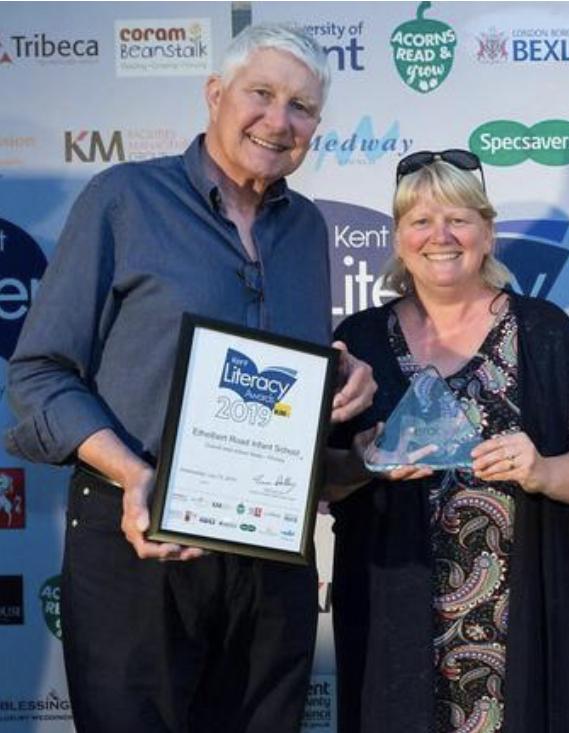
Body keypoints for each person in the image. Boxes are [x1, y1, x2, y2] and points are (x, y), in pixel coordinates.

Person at [5, 24, 376, 733]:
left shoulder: (307, 230)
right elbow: (39, 374)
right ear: (214, 95)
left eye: (301, 107)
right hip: (136, 537)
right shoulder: (123, 199)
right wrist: (133, 475)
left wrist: (338, 375)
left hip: (270, 552)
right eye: (260, 94)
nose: (278, 121)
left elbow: (270, 381)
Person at [324, 150, 569, 732]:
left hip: (521, 633)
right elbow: (319, 481)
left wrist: (543, 471)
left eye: (459, 219)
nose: (440, 235)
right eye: (421, 220)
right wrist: (362, 463)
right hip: (392, 629)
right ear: (399, 238)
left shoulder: (542, 331)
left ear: (487, 234)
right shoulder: (358, 340)